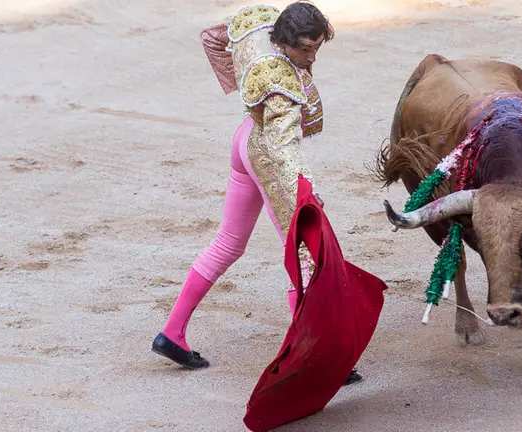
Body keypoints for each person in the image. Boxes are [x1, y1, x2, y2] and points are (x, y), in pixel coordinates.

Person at [152, 1, 363, 385]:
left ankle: (172, 334)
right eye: (305, 48)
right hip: (265, 153)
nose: (311, 55)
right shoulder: (280, 83)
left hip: (244, 139)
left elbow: (213, 38)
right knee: (303, 253)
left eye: (317, 46)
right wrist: (304, 190)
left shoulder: (260, 22)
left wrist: (245, 88)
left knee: (228, 243)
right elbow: (282, 145)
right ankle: (310, 355)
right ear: (284, 41)